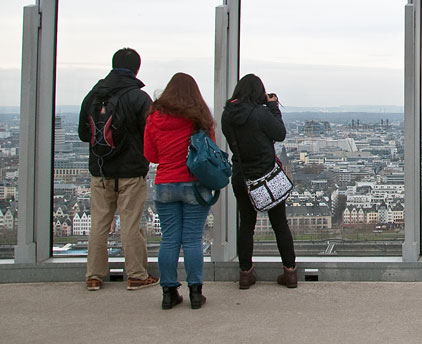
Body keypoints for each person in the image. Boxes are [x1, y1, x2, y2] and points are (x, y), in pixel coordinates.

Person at [77, 47, 157, 292]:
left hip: (100, 171)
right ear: (136, 69)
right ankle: (136, 275)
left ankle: (94, 276)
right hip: (131, 172)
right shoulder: (139, 98)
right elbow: (152, 133)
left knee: (99, 225)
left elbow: (83, 134)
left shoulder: (93, 95)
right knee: (131, 224)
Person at [144, 73, 217, 310]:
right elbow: (210, 151)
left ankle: (168, 293)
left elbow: (151, 155)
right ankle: (195, 292)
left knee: (169, 239)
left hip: (165, 184)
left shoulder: (154, 118)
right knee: (193, 240)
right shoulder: (200, 118)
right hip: (195, 184)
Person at [221, 74, 297, 289]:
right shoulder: (261, 113)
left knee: (246, 224)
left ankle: (245, 274)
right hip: (267, 176)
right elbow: (280, 134)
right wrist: (272, 107)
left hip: (242, 176)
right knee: (280, 225)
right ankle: (290, 272)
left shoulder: (227, 115)